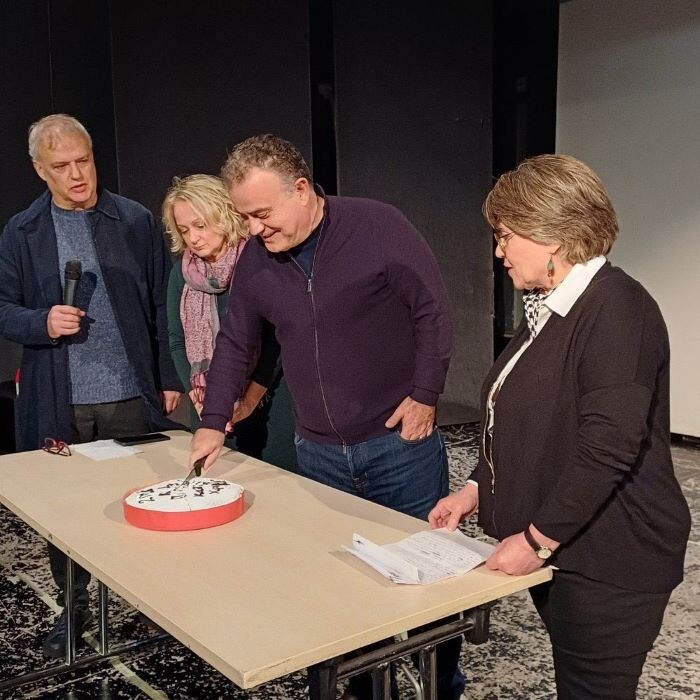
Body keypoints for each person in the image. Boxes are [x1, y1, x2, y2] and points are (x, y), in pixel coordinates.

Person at [188, 135, 462, 699]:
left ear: (301, 190)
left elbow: (432, 310)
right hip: (318, 456)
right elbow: (236, 343)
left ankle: (440, 688)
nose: (254, 229)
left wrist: (426, 393)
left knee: (430, 590)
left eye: (262, 213)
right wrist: (214, 421)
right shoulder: (258, 259)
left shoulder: (378, 225)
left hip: (398, 445)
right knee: (342, 595)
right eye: (244, 217)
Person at [429, 154, 691, 699]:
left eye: (505, 236)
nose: (498, 251)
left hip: (613, 557)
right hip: (572, 546)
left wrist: (536, 540)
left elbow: (609, 446)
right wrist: (476, 489)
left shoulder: (617, 309)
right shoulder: (553, 306)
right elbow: (526, 421)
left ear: (551, 235)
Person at [0, 114, 183, 658]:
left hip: (129, 392)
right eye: (62, 166)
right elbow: (3, 309)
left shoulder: (134, 220)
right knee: (67, 514)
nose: (78, 174)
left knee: (144, 505)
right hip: (59, 399)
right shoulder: (23, 231)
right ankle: (74, 608)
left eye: (84, 161)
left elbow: (162, 303)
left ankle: (158, 605)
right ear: (40, 170)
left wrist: (167, 375)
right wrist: (41, 321)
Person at [162, 174, 296, 468]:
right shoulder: (182, 274)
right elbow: (176, 340)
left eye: (200, 225)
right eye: (184, 230)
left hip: (268, 401)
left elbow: (276, 342)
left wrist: (248, 401)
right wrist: (202, 401)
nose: (193, 238)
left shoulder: (259, 261)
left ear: (223, 214)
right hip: (209, 409)